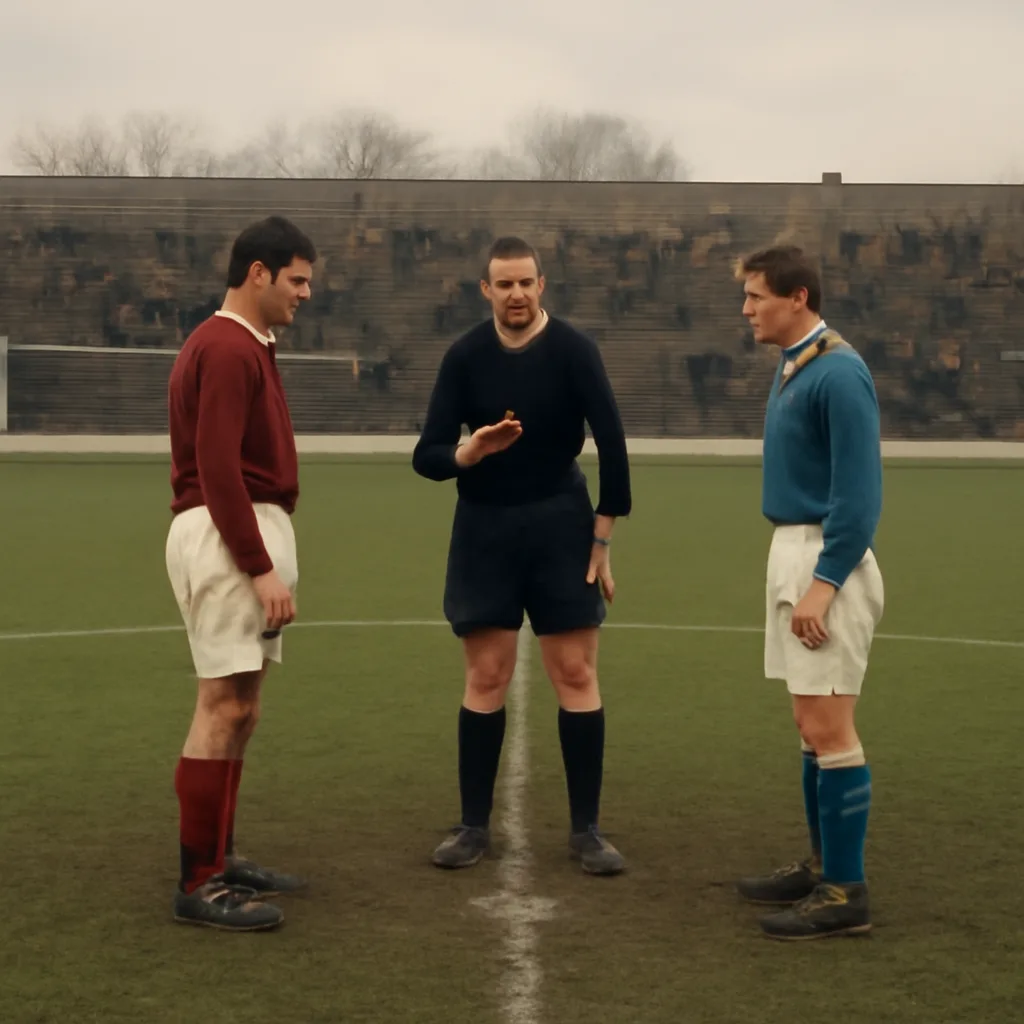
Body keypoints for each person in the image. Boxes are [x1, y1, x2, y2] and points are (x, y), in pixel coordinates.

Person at [412, 236, 632, 876]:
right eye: (502, 284)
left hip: (562, 525)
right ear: (486, 290)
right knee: (486, 677)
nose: (515, 294)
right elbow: (427, 454)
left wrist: (602, 537)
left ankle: (587, 830)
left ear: (542, 286)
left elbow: (613, 446)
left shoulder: (573, 351)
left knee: (575, 674)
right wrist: (468, 453)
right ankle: (473, 826)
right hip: (484, 527)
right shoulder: (464, 358)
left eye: (525, 283)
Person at [164, 215, 317, 931]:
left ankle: (219, 855)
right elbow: (216, 466)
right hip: (230, 537)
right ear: (257, 273)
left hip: (247, 532)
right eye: (297, 280)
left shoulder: (247, 344)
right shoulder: (226, 348)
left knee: (243, 705)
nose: (304, 294)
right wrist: (257, 567)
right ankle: (200, 881)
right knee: (221, 704)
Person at [733, 245, 884, 940]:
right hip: (794, 549)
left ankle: (844, 893)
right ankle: (824, 864)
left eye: (757, 295)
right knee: (808, 725)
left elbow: (859, 496)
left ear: (798, 297)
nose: (747, 309)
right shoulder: (795, 366)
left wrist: (825, 585)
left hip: (827, 556)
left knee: (830, 728)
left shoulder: (840, 373)